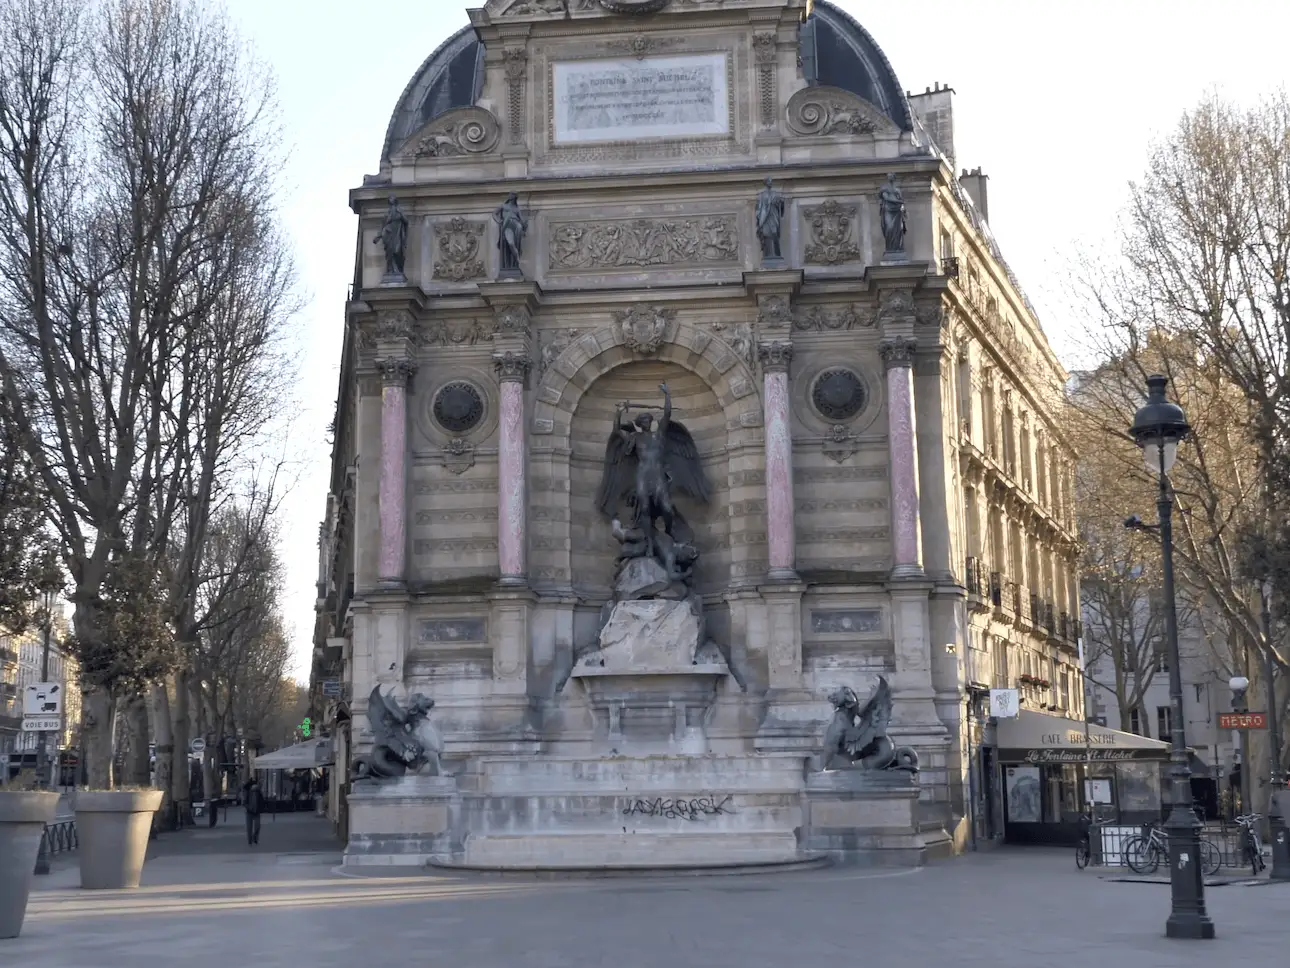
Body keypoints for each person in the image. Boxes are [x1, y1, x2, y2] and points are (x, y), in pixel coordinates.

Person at [243, 777, 263, 846]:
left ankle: (255, 837)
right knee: (249, 828)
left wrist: (261, 809)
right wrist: (249, 807)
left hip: (257, 812)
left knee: (258, 826)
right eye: (254, 787)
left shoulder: (258, 793)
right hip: (249, 812)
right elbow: (244, 803)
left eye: (256, 787)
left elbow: (261, 801)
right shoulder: (248, 793)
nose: (255, 788)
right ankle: (250, 841)